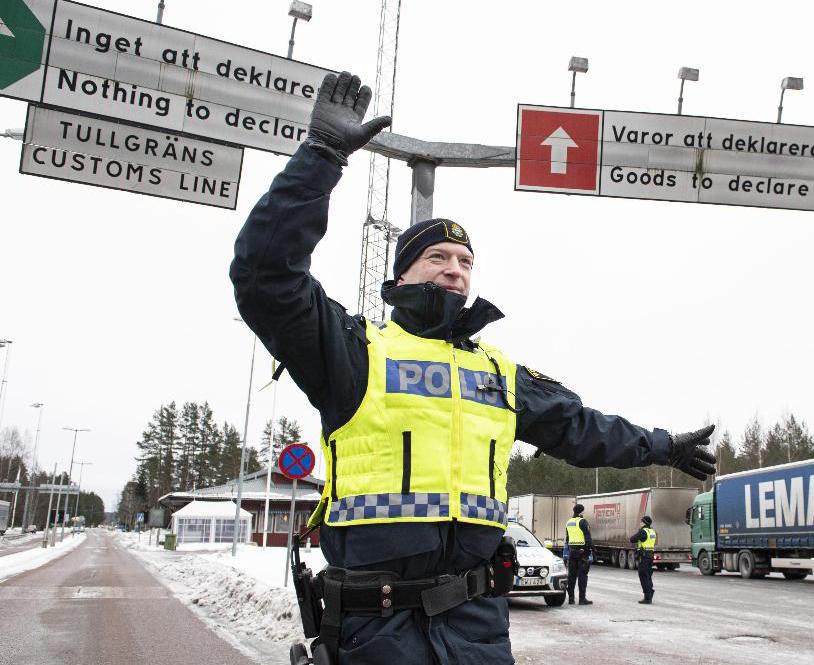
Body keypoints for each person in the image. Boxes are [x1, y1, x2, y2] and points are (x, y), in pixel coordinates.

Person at [230, 71, 717, 665]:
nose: (455, 269)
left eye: (465, 261)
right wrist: (322, 156)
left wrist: (662, 446)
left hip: (477, 628)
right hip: (376, 629)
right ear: (401, 275)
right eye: (437, 256)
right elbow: (265, 277)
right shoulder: (355, 350)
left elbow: (580, 428)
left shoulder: (498, 372)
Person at [564, 504, 593, 605]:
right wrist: (588, 551)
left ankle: (571, 599)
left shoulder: (569, 522)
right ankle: (582, 599)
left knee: (571, 576)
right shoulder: (583, 522)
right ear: (581, 512)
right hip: (582, 552)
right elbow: (588, 538)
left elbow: (567, 538)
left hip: (572, 552)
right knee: (582, 575)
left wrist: (568, 551)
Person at [628, 515, 657, 604]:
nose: (640, 523)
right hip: (650, 555)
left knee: (643, 576)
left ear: (644, 523)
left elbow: (632, 539)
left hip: (644, 556)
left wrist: (639, 531)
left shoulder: (643, 531)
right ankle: (650, 592)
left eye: (641, 522)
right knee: (648, 575)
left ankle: (647, 597)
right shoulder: (652, 531)